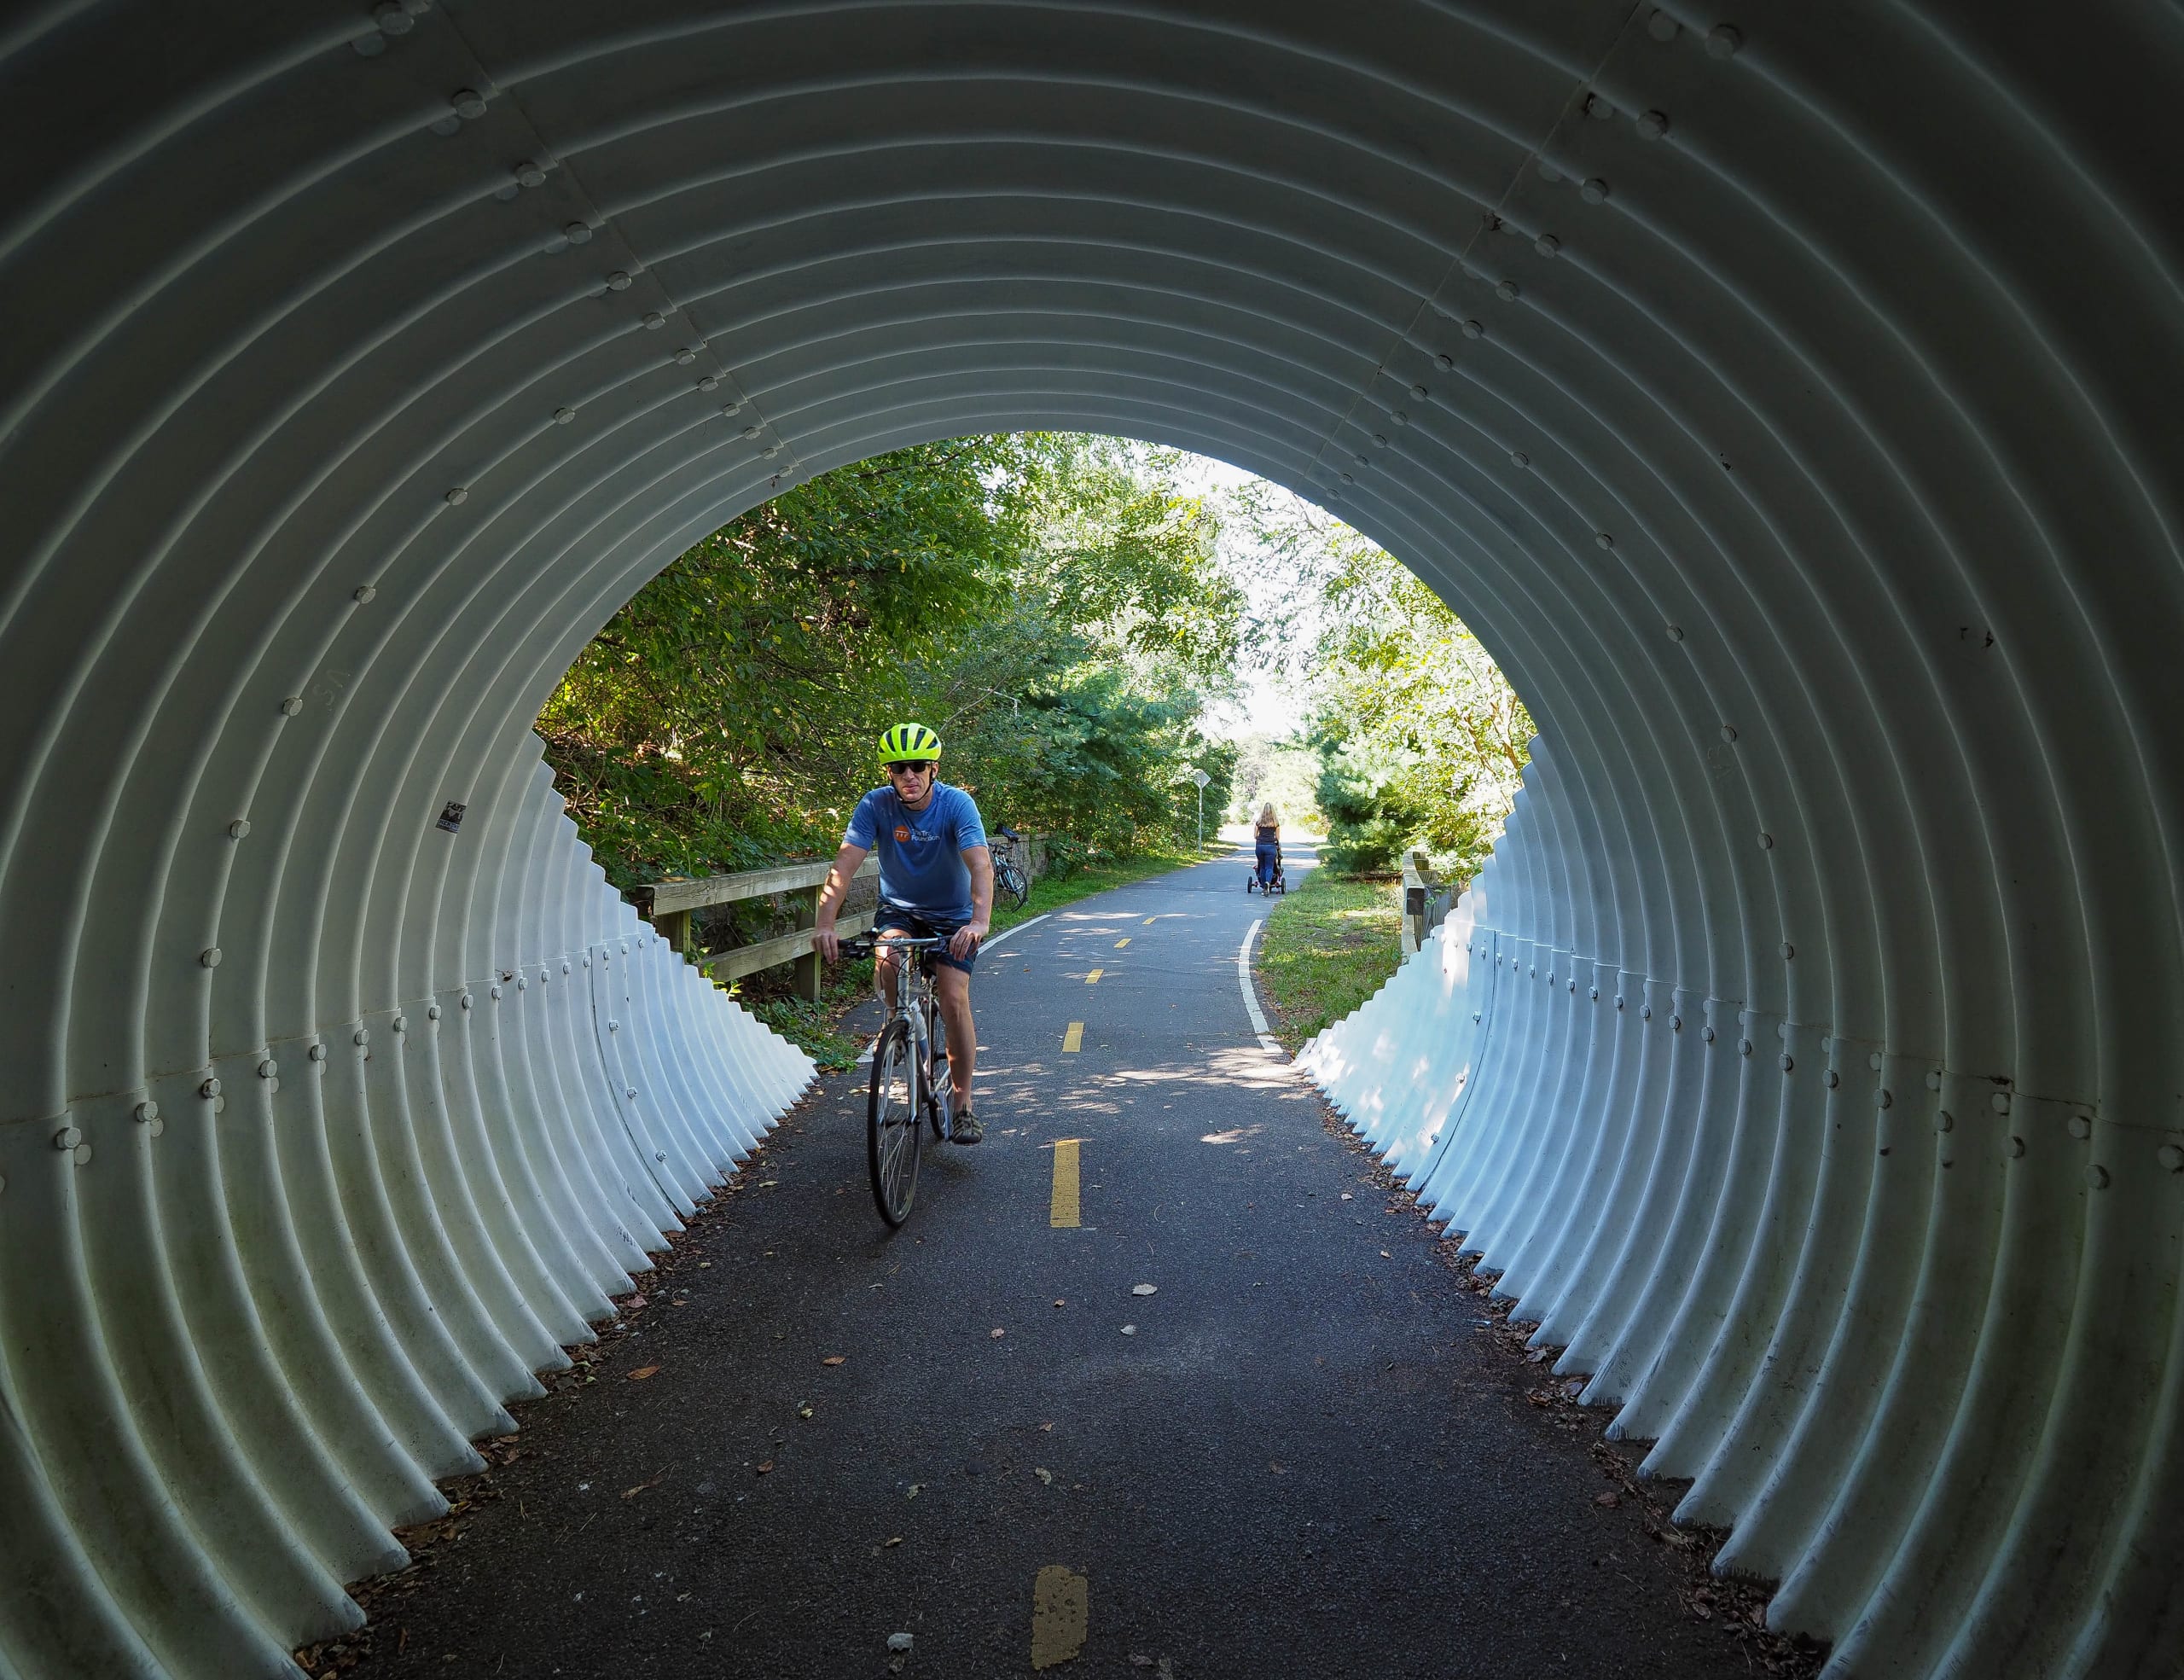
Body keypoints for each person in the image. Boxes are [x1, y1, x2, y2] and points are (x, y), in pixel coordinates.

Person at [814, 723, 994, 1142]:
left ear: (932, 769)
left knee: (952, 997)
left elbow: (980, 865)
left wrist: (979, 922)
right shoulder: (875, 806)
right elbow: (844, 866)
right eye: (898, 768)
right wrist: (824, 924)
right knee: (887, 956)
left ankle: (963, 1103)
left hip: (953, 916)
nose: (908, 776)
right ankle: (895, 1020)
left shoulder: (956, 805)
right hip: (901, 909)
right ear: (889, 773)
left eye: (916, 767)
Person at [1254, 801, 1281, 888]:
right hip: (1270, 846)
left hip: (1260, 846)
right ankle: (1268, 884)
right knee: (1269, 867)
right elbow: (1277, 837)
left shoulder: (1258, 822)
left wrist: (1261, 838)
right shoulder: (1276, 823)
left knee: (1262, 867)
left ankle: (1263, 884)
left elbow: (1255, 836)